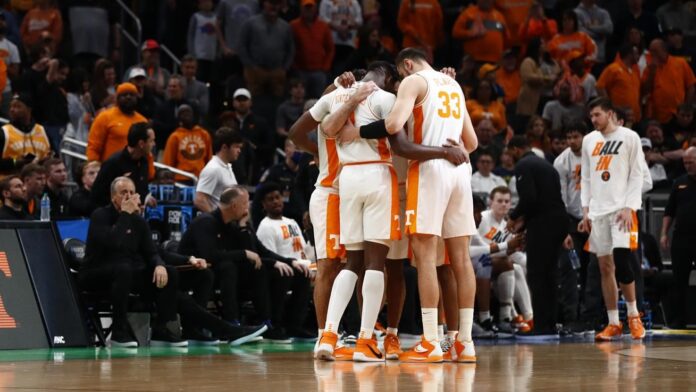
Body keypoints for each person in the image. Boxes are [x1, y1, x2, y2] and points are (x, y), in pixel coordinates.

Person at [312, 60, 470, 362]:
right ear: (389, 77)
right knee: (384, 263)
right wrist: (444, 150)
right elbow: (400, 141)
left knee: (355, 262)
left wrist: (351, 103)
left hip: (349, 181)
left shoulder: (340, 95)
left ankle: (330, 336)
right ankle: (369, 340)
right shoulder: (390, 99)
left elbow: (327, 129)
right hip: (383, 179)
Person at [81, 177, 266, 347]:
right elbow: (114, 242)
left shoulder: (137, 221)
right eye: (123, 193)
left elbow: (154, 252)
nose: (129, 196)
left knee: (172, 276)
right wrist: (126, 215)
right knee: (124, 269)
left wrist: (180, 261)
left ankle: (167, 330)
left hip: (129, 276)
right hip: (98, 273)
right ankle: (119, 333)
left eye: (132, 192)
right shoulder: (100, 216)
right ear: (113, 197)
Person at [179, 186, 298, 341]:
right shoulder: (206, 222)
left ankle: (267, 323)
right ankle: (232, 323)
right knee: (228, 267)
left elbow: (256, 252)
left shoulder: (233, 223)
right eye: (244, 203)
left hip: (220, 273)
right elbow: (210, 256)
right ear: (234, 206)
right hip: (193, 272)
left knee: (258, 268)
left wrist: (243, 227)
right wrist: (244, 254)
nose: (247, 206)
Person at [578, 97, 646, 341]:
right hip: (597, 212)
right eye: (591, 116)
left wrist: (629, 207)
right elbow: (585, 179)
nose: (593, 120)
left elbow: (637, 175)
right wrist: (585, 210)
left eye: (597, 115)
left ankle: (633, 316)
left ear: (609, 113)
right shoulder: (588, 141)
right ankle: (614, 322)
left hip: (621, 211)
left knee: (623, 260)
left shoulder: (629, 137)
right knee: (605, 267)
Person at [506, 135, 568, 336]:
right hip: (558, 220)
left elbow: (529, 199)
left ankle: (540, 326)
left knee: (536, 274)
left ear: (516, 149)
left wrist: (513, 216)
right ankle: (550, 324)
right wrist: (524, 223)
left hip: (543, 224)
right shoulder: (546, 165)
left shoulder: (524, 165)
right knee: (550, 275)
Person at [255, 182, 313, 339]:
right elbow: (269, 256)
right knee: (288, 274)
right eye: (270, 199)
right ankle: (277, 324)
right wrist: (292, 264)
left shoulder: (292, 222)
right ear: (263, 204)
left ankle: (297, 325)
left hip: (300, 265)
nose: (275, 201)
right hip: (279, 270)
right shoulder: (265, 226)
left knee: (307, 274)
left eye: (277, 197)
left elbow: (303, 251)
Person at [660, 147, 696, 329]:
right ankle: (679, 321)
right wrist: (664, 233)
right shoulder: (679, 183)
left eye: (691, 162)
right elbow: (669, 211)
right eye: (685, 163)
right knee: (679, 279)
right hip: (682, 238)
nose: (687, 166)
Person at [237, 0, 295, 98]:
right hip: (255, 70)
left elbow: (291, 49)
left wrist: (285, 67)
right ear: (264, 4)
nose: (273, 7)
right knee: (254, 100)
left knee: (277, 100)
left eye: (276, 4)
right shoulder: (250, 23)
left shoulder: (285, 26)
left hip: (277, 71)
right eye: (271, 3)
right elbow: (242, 46)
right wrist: (249, 66)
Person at [90, 122, 155, 208]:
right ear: (141, 144)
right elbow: (97, 195)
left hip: (135, 216)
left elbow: (142, 191)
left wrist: (146, 198)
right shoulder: (113, 163)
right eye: (151, 141)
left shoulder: (144, 162)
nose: (154, 144)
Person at [86, 83, 147, 162]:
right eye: (124, 95)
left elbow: (147, 152)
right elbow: (93, 147)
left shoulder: (143, 121)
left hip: (134, 171)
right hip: (109, 171)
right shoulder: (105, 117)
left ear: (136, 98)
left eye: (131, 94)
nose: (128, 97)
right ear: (117, 99)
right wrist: (94, 167)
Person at [643, 39, 696, 124]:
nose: (652, 54)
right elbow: (645, 91)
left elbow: (691, 86)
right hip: (659, 117)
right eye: (651, 51)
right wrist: (652, 73)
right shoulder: (649, 68)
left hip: (679, 115)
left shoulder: (680, 63)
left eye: (655, 51)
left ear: (664, 50)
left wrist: (686, 106)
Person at [290, 0, 334, 99]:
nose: (308, 10)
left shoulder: (323, 26)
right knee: (300, 99)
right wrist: (295, 66)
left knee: (320, 99)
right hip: (301, 71)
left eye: (311, 7)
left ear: (315, 8)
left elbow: (330, 48)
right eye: (306, 7)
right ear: (301, 8)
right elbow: (290, 47)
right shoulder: (294, 25)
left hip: (319, 72)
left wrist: (325, 67)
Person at [194, 127, 243, 213]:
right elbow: (199, 199)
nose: (239, 151)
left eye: (240, 147)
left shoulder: (227, 166)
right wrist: (216, 220)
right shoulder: (213, 169)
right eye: (236, 147)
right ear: (224, 147)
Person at [0, 93, 51, 174]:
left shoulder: (42, 130)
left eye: (17, 106)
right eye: (11, 106)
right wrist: (16, 162)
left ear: (29, 109)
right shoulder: (3, 132)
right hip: (10, 182)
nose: (12, 110)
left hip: (38, 181)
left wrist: (44, 161)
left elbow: (52, 157)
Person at [162, 104, 212, 183]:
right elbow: (168, 161)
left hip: (201, 177)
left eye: (188, 112)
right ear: (178, 118)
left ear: (193, 115)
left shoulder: (204, 134)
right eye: (182, 113)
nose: (186, 115)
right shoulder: (175, 136)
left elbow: (209, 159)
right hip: (181, 178)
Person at [597, 44, 641, 123]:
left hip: (633, 118)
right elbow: (600, 87)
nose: (639, 56)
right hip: (618, 117)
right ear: (629, 55)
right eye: (636, 53)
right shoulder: (613, 68)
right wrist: (610, 106)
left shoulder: (634, 72)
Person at [153, 75, 191, 150]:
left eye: (174, 86)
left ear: (182, 88)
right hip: (165, 147)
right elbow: (157, 126)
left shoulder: (190, 106)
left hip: (186, 147)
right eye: (169, 86)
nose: (171, 89)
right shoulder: (161, 107)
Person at [574, 0, 613, 65]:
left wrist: (590, 27)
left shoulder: (603, 13)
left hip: (599, 59)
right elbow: (582, 33)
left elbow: (609, 29)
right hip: (582, 60)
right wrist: (600, 34)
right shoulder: (575, 13)